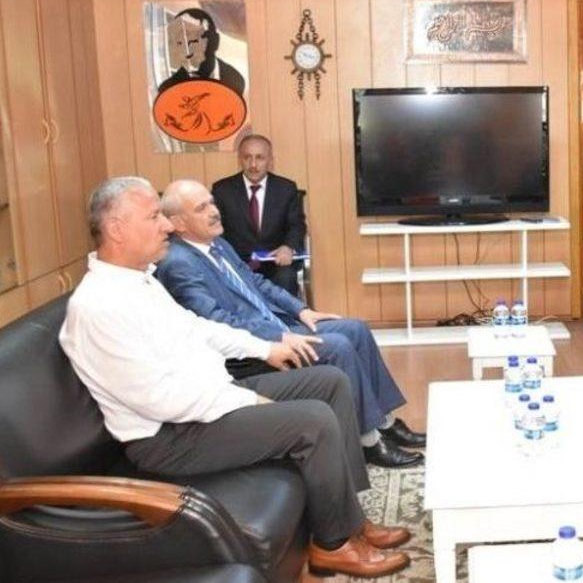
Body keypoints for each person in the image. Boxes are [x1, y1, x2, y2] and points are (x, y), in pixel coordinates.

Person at [59, 176, 411, 578]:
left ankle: (349, 519)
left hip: (207, 399)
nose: (167, 226)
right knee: (313, 420)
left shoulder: (138, 282)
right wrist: (246, 401)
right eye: (154, 216)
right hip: (170, 436)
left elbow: (199, 328)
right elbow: (158, 400)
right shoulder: (98, 307)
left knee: (329, 382)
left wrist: (265, 349)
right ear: (117, 229)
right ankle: (332, 545)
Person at [157, 179, 425, 469]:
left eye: (211, 202)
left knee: (355, 328)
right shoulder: (179, 263)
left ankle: (385, 423)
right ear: (178, 223)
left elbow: (256, 282)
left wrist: (301, 310)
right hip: (253, 348)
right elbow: (217, 321)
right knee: (337, 346)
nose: (214, 211)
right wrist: (278, 336)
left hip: (277, 323)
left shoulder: (216, 244)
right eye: (201, 208)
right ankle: (368, 441)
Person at [212, 134, 303, 293]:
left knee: (286, 277)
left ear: (270, 160)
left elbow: (296, 225)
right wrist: (227, 259)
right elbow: (216, 230)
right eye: (247, 157)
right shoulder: (222, 190)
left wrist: (288, 247)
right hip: (237, 263)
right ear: (240, 160)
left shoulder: (286, 188)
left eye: (260, 158)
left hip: (275, 262)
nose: (253, 164)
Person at [157, 7, 246, 96]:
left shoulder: (235, 82)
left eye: (200, 34)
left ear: (215, 41)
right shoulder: (168, 87)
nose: (189, 43)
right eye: (180, 39)